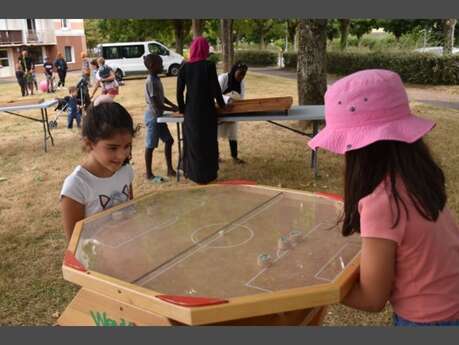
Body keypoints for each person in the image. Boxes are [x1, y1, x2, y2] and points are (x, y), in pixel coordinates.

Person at [308, 69, 459, 326]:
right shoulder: (418, 178)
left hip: (428, 322)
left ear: (359, 150)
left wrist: (316, 283)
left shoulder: (382, 202)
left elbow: (371, 299)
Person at [60, 100, 136, 241]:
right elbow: (74, 242)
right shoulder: (76, 187)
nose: (122, 155)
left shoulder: (126, 171)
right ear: (89, 144)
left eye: (127, 146)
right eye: (112, 148)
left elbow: (130, 210)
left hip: (126, 250)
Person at [176, 36, 226, 184]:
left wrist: (182, 109)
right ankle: (209, 174)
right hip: (207, 111)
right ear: (204, 49)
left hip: (191, 112)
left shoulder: (184, 66)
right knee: (208, 143)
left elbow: (179, 92)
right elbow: (216, 90)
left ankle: (193, 174)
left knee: (193, 143)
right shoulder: (209, 66)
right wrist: (223, 106)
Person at [143, 54, 178, 182]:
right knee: (150, 145)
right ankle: (149, 174)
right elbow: (156, 103)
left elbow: (161, 98)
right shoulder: (151, 81)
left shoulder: (156, 79)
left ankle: (170, 170)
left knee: (169, 141)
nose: (162, 65)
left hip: (159, 116)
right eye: (160, 63)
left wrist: (173, 105)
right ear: (152, 66)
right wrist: (171, 109)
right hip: (153, 117)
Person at [218, 61, 248, 164]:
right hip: (219, 110)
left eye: (244, 75)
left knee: (233, 133)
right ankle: (216, 156)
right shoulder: (223, 78)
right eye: (240, 74)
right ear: (234, 70)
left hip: (233, 111)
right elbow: (215, 94)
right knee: (215, 134)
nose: (242, 77)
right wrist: (228, 99)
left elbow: (241, 98)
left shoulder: (242, 83)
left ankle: (234, 157)